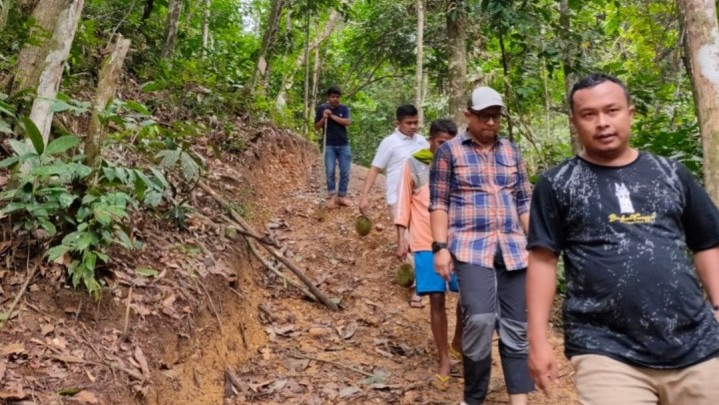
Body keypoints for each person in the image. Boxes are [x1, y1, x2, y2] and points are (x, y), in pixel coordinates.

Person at [526, 73, 719, 405]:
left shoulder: (670, 174)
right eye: (589, 115)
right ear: (574, 122)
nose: (602, 122)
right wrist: (538, 340)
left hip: (695, 343)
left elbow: (707, 241)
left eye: (611, 110)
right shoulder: (557, 183)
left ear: (630, 113)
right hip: (605, 347)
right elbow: (542, 260)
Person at [430, 87, 534, 405]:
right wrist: (440, 247)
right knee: (479, 320)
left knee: (516, 326)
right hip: (470, 246)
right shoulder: (449, 152)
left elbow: (524, 201)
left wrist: (537, 243)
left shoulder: (512, 152)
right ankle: (473, 398)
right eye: (484, 116)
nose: (491, 122)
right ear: (469, 116)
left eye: (496, 116)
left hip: (513, 247)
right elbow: (438, 204)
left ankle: (520, 400)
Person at [394, 119, 463, 390]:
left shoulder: (461, 165)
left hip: (458, 240)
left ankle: (457, 342)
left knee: (466, 297)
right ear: (431, 141)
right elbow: (403, 203)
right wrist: (401, 239)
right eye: (440, 143)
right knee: (436, 298)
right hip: (424, 241)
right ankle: (443, 358)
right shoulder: (414, 164)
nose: (444, 148)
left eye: (450, 143)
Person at [358, 104, 428, 308]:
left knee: (417, 239)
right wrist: (364, 196)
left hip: (419, 197)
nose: (413, 126)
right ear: (398, 123)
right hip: (397, 198)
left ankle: (420, 281)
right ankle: (415, 288)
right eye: (409, 123)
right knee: (405, 239)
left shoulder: (422, 142)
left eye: (416, 122)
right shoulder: (389, 143)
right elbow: (374, 169)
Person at [315, 86, 352, 209]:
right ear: (328, 97)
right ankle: (331, 196)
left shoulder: (344, 108)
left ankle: (342, 196)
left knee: (345, 171)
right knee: (330, 170)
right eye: (332, 96)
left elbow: (347, 122)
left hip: (343, 144)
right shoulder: (322, 109)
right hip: (329, 145)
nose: (335, 99)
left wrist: (331, 117)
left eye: (337, 97)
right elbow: (317, 127)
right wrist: (323, 118)